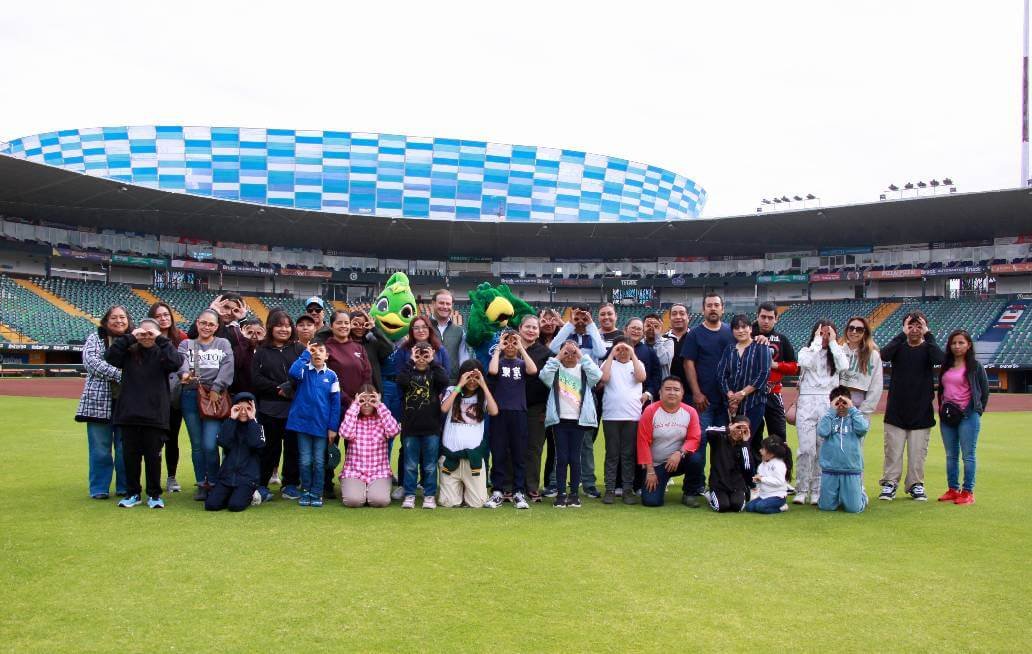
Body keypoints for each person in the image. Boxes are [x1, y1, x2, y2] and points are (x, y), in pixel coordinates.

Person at [106, 318, 185, 509]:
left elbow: (176, 362)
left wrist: (160, 340)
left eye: (151, 333)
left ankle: (154, 494)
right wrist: (129, 338)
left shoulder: (162, 353)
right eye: (143, 332)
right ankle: (133, 493)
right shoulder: (129, 353)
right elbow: (110, 357)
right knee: (130, 458)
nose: (146, 336)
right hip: (129, 414)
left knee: (153, 458)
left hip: (155, 415)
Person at [878, 311, 945, 502]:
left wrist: (928, 334)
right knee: (893, 452)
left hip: (921, 410)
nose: (914, 330)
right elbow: (884, 354)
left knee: (918, 454)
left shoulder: (928, 349)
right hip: (896, 410)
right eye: (910, 326)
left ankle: (916, 484)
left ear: (924, 328)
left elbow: (940, 359)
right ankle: (890, 483)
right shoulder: (899, 348)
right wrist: (902, 334)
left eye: (918, 326)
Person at [681, 292, 734, 505]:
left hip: (726, 401)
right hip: (703, 401)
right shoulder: (695, 334)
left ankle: (719, 486)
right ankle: (693, 489)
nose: (713, 309)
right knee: (698, 444)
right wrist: (696, 392)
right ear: (703, 310)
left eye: (716, 305)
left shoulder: (731, 332)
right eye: (709, 305)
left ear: (722, 309)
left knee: (723, 446)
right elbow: (688, 363)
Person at [178, 308, 235, 502]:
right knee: (197, 445)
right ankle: (202, 484)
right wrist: (184, 375)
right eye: (203, 323)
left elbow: (228, 366)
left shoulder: (223, 343)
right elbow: (181, 364)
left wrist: (217, 388)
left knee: (210, 444)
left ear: (217, 327)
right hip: (190, 395)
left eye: (211, 324)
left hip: (215, 396)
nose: (206, 327)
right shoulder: (186, 344)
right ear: (197, 323)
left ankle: (214, 480)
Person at [540, 339, 603, 508]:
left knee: (575, 458)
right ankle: (560, 494)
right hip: (560, 421)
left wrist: (580, 355)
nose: (569, 356)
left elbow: (597, 375)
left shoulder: (583, 371)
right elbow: (543, 375)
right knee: (562, 458)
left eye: (572, 353)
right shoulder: (556, 370)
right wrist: (560, 356)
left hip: (579, 421)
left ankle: (574, 494)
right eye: (565, 353)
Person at [75, 305, 130, 499]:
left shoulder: (133, 341)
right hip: (99, 402)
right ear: (106, 321)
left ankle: (125, 486)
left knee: (126, 449)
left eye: (122, 317)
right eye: (114, 318)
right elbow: (91, 362)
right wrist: (121, 375)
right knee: (100, 448)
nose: (119, 321)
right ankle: (99, 488)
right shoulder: (95, 338)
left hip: (127, 404)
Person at [251, 309, 304, 501]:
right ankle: (262, 484)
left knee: (293, 448)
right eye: (279, 325)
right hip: (269, 408)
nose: (284, 329)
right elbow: (256, 379)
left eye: (287, 325)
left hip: (294, 408)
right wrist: (277, 389)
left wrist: (291, 387)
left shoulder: (299, 349)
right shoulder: (261, 352)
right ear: (271, 327)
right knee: (269, 448)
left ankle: (290, 484)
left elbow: (306, 374)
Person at [794, 319, 848, 505]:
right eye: (821, 332)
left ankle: (817, 490)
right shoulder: (807, 350)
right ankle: (801, 488)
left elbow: (844, 365)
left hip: (827, 402)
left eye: (828, 333)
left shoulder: (837, 353)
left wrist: (833, 343)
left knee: (822, 449)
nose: (825, 336)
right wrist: (817, 342)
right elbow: (805, 362)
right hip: (807, 401)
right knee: (806, 449)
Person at [319, 309, 373, 496]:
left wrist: (361, 401)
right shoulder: (326, 348)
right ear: (331, 326)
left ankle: (353, 483)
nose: (343, 326)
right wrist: (349, 400)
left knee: (355, 448)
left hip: (357, 407)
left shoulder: (359, 348)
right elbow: (327, 379)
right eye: (339, 323)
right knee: (330, 444)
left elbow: (367, 375)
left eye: (346, 323)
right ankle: (326, 483)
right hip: (333, 406)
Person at [485, 328, 538, 509]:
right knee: (499, 452)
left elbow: (533, 370)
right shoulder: (498, 362)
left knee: (519, 453)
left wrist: (521, 348)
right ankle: (498, 491)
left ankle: (518, 492)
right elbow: (492, 371)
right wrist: (499, 348)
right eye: (506, 342)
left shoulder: (521, 364)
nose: (510, 346)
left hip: (519, 413)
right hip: (500, 413)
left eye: (513, 342)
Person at [936, 330, 989, 505]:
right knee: (951, 455)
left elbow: (984, 391)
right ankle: (952, 489)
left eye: (961, 343)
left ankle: (967, 492)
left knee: (968, 455)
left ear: (969, 345)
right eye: (953, 343)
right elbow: (942, 390)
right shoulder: (946, 365)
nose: (957, 346)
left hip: (968, 415)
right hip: (948, 416)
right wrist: (942, 408)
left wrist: (977, 410)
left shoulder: (975, 366)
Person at [286, 341, 341, 508]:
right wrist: (305, 353)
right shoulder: (303, 370)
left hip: (321, 426)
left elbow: (335, 404)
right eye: (314, 351)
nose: (317, 353)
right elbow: (292, 372)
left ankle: (317, 492)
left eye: (321, 350)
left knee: (318, 461)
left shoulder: (332, 375)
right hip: (302, 424)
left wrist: (332, 427)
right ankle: (306, 491)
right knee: (304, 460)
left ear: (327, 356)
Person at [396, 342, 450, 509]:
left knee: (430, 465)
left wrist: (432, 360)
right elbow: (401, 381)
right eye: (418, 354)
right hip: (411, 428)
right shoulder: (408, 371)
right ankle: (410, 494)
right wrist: (411, 360)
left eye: (424, 355)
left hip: (431, 428)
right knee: (410, 465)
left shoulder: (434, 373)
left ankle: (429, 495)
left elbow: (445, 380)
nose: (421, 358)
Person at [439, 360, 499, 508]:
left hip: (473, 458)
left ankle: (467, 489)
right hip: (450, 456)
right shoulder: (452, 390)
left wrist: (483, 385)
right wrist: (460, 385)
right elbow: (444, 408)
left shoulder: (483, 395)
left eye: (476, 377)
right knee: (448, 503)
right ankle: (458, 490)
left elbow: (494, 411)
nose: (472, 381)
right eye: (469, 377)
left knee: (477, 503)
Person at [637, 376, 702, 508]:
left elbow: (694, 438)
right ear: (660, 393)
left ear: (682, 393)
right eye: (668, 389)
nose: (672, 393)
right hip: (656, 464)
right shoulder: (650, 411)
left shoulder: (690, 412)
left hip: (679, 460)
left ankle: (690, 493)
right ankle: (661, 481)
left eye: (676, 389)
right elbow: (643, 443)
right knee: (651, 502)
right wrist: (650, 471)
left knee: (696, 458)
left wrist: (680, 453)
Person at [600, 336, 646, 504]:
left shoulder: (637, 364)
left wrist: (632, 354)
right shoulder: (608, 363)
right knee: (612, 454)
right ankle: (610, 489)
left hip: (632, 416)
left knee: (628, 454)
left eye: (626, 348)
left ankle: (628, 489)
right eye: (619, 348)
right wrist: (612, 354)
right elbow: (604, 379)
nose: (622, 352)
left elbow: (641, 377)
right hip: (611, 416)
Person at [338, 385, 400, 508]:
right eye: (362, 400)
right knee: (353, 501)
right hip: (354, 472)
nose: (366, 404)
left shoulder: (382, 418)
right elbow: (344, 433)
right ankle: (359, 489)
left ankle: (370, 490)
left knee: (379, 501)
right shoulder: (353, 418)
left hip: (379, 472)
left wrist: (380, 406)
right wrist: (355, 405)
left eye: (371, 400)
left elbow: (394, 431)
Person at [148, 302, 187, 493]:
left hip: (174, 397)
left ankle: (171, 477)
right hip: (152, 396)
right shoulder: (145, 338)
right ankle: (150, 479)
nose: (163, 318)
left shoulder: (180, 338)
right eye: (158, 316)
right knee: (152, 440)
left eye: (166, 315)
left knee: (172, 439)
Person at [204, 392, 267, 512]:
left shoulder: (257, 426)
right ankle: (229, 495)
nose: (243, 412)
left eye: (247, 408)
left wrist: (252, 420)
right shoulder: (229, 424)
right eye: (239, 408)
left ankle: (254, 494)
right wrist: (232, 419)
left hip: (247, 478)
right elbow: (222, 442)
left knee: (235, 506)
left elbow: (256, 444)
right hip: (227, 476)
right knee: (211, 505)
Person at [716, 314, 772, 442]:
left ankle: (748, 462)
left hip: (754, 403)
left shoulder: (761, 347)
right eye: (736, 328)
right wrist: (730, 395)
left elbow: (763, 374)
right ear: (732, 331)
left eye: (744, 327)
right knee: (733, 440)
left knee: (746, 440)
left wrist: (742, 393)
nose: (741, 331)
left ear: (750, 329)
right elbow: (721, 375)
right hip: (732, 404)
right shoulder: (729, 350)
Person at [752, 302, 798, 448]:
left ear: (776, 319)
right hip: (751, 395)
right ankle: (754, 470)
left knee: (778, 439)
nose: (766, 321)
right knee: (752, 437)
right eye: (763, 317)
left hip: (773, 394)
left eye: (770, 318)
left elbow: (795, 367)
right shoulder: (747, 337)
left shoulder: (782, 340)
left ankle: (780, 470)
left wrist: (776, 365)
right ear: (757, 317)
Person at [817, 387, 869, 513]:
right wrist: (831, 412)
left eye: (844, 403)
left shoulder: (855, 418)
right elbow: (822, 432)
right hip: (830, 470)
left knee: (854, 509)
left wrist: (852, 409)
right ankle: (839, 496)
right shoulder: (829, 418)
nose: (841, 406)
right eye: (837, 403)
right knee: (826, 507)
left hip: (850, 469)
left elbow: (863, 429)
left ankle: (860, 494)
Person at [519, 315, 554, 502]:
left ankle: (531, 486)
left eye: (535, 328)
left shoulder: (545, 353)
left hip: (536, 407)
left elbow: (551, 383)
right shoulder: (510, 348)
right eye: (528, 327)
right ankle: (512, 486)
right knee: (512, 446)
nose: (531, 330)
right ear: (520, 328)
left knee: (534, 448)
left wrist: (546, 409)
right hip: (513, 407)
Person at [536, 308, 563, 496]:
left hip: (558, 401)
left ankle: (550, 483)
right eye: (544, 319)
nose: (548, 322)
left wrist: (561, 324)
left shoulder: (562, 344)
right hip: (535, 402)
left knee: (555, 446)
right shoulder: (531, 344)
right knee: (535, 446)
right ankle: (529, 482)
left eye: (551, 319)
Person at [704, 418, 754, 512]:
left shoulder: (743, 445)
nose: (739, 432)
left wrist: (745, 443)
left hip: (737, 485)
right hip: (719, 484)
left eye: (744, 430)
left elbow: (747, 468)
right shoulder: (719, 438)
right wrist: (728, 429)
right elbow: (708, 430)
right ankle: (709, 493)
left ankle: (743, 494)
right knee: (722, 506)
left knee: (737, 507)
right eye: (738, 427)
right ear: (731, 425)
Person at [838, 316, 883, 415]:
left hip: (859, 401)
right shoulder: (838, 352)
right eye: (851, 328)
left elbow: (876, 385)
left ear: (865, 332)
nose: (854, 332)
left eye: (859, 329)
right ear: (846, 330)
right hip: (838, 400)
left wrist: (865, 410)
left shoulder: (873, 355)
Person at [429, 289, 468, 383]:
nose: (445, 307)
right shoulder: (424, 327)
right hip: (428, 383)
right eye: (441, 303)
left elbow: (463, 358)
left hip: (452, 384)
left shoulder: (459, 331)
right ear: (433, 304)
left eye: (448, 304)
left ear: (452, 305)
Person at [746, 437, 792, 514]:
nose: (760, 451)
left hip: (777, 496)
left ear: (771, 454)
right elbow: (761, 479)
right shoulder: (762, 464)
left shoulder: (778, 465)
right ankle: (766, 504)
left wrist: (762, 479)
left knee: (760, 507)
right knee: (749, 507)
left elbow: (779, 481)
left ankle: (782, 507)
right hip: (764, 495)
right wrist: (757, 480)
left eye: (763, 449)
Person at [350, 309, 392, 392]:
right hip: (351, 391)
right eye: (355, 324)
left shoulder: (371, 343)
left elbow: (389, 348)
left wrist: (373, 328)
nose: (360, 327)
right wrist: (348, 328)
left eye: (363, 324)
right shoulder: (344, 345)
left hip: (372, 392)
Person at [622, 317, 662, 403]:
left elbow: (656, 376)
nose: (636, 331)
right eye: (633, 328)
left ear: (643, 333)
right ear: (625, 329)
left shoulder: (650, 352)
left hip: (641, 401)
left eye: (639, 329)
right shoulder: (616, 349)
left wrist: (648, 393)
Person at [664, 303, 691, 388]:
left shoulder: (696, 338)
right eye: (674, 314)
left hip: (691, 393)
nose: (678, 317)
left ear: (688, 317)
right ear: (670, 318)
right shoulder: (662, 340)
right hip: (668, 390)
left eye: (682, 314)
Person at [643, 313, 674, 378]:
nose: (652, 329)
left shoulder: (668, 342)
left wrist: (657, 336)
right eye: (648, 325)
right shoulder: (640, 343)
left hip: (661, 384)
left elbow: (662, 360)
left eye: (656, 326)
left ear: (661, 328)